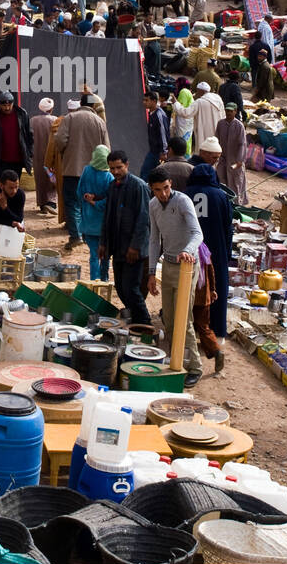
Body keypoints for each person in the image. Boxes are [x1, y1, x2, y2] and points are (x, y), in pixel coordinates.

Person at [146, 169, 204, 388]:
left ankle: (195, 367)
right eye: (158, 190)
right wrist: (151, 272)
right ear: (152, 188)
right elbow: (154, 239)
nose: (163, 194)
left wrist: (188, 251)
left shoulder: (183, 201)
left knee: (184, 318)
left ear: (171, 184)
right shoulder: (152, 205)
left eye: (166, 188)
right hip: (168, 264)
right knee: (168, 319)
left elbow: (197, 233)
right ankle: (175, 361)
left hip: (187, 265)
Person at [186, 160, 233, 372]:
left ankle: (191, 333)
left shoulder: (185, 193)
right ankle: (216, 332)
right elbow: (228, 227)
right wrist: (227, 251)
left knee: (188, 291)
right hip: (215, 249)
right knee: (215, 290)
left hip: (190, 249)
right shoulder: (221, 196)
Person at [99, 150, 151, 325]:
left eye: (119, 167)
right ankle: (134, 318)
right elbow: (107, 217)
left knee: (131, 289)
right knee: (121, 288)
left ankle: (145, 323)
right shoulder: (113, 186)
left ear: (127, 165)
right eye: (112, 168)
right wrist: (103, 243)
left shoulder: (139, 186)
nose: (115, 172)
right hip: (117, 246)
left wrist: (135, 246)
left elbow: (144, 219)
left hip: (133, 250)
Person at [54, 95, 110, 251]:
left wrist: (66, 153)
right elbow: (106, 148)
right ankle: (86, 235)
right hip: (94, 171)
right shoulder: (99, 122)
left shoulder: (70, 118)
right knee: (88, 202)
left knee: (72, 203)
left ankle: (75, 237)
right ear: (93, 106)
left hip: (73, 169)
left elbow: (59, 140)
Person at [77, 145, 113, 281]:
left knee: (93, 254)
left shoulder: (86, 171)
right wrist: (97, 203)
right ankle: (104, 279)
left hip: (88, 223)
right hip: (104, 226)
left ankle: (94, 280)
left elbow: (79, 193)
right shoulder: (109, 177)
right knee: (105, 255)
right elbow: (109, 201)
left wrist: (88, 202)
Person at [0, 89, 33, 181]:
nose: (7, 108)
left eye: (9, 105)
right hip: (1, 160)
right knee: (3, 186)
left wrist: (29, 154)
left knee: (14, 186)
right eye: (4, 105)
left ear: (13, 103)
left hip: (17, 160)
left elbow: (28, 135)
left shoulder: (22, 115)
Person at [0, 169, 26, 258]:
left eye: (16, 187)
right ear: (1, 185)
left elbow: (19, 219)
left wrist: (5, 207)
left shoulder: (20, 195)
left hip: (15, 226)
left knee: (12, 257)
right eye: (11, 188)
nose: (14, 191)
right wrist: (12, 222)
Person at [215, 102, 248, 204]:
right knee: (221, 180)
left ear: (235, 112)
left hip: (235, 161)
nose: (228, 113)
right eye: (227, 111)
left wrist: (239, 161)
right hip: (223, 159)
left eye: (231, 111)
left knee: (235, 182)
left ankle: (237, 204)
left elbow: (242, 144)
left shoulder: (239, 126)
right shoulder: (221, 124)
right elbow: (216, 139)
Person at [30, 97, 58, 214]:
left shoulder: (32, 120)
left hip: (37, 155)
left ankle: (42, 204)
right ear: (51, 109)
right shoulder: (55, 120)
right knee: (52, 177)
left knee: (40, 178)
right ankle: (51, 202)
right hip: (52, 155)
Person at [141, 89, 169, 180]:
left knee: (148, 174)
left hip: (159, 153)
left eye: (146, 100)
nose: (144, 102)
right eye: (143, 100)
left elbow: (163, 133)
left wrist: (164, 152)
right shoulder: (152, 113)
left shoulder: (159, 115)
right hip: (153, 150)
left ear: (154, 101)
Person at [191, 81, 224, 151]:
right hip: (217, 130)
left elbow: (186, 113)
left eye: (197, 90)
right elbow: (223, 115)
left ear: (201, 91)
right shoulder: (218, 98)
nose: (197, 92)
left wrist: (176, 104)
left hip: (204, 133)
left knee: (204, 149)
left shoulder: (199, 102)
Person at [171, 87, 196, 154]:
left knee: (182, 142)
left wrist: (175, 103)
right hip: (187, 123)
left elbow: (181, 110)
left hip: (184, 123)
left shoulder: (184, 92)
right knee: (186, 141)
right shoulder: (188, 94)